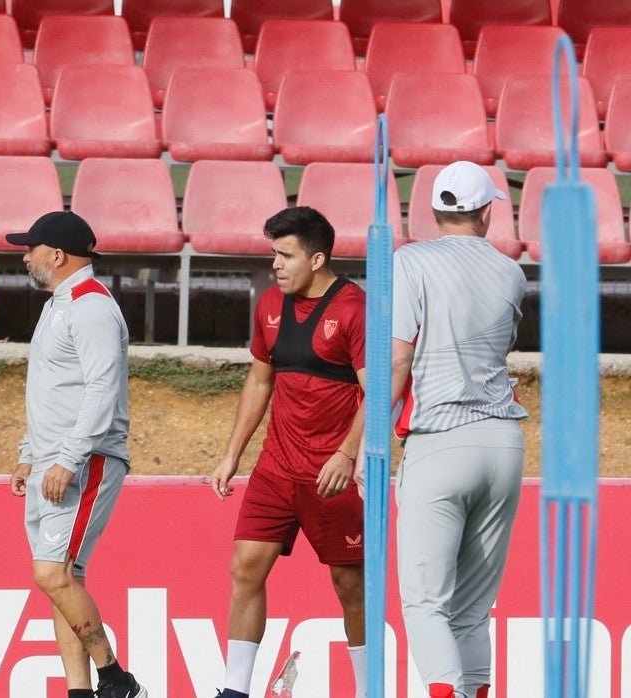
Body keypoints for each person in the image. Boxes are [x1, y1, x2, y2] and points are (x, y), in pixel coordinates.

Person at [209, 206, 368, 698]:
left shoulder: (355, 310)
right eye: (273, 253)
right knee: (245, 567)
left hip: (331, 475)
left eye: (285, 255)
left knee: (351, 587)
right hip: (276, 468)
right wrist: (233, 454)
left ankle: (369, 689)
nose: (275, 264)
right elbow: (260, 381)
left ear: (317, 259)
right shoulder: (269, 305)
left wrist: (347, 455)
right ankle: (235, 690)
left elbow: (379, 392)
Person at [381, 161, 527, 698]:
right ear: (486, 211)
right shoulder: (511, 272)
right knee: (471, 608)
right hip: (502, 442)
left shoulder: (409, 260)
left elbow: (399, 359)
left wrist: (367, 440)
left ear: (434, 210)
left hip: (438, 440)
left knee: (425, 604)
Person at [7, 211, 148, 698]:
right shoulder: (60, 304)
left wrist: (67, 459)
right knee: (62, 581)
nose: (25, 257)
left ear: (57, 255)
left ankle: (117, 679)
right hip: (55, 460)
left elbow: (100, 390)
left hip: (85, 461)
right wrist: (30, 453)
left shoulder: (91, 307)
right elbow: (53, 388)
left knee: (52, 573)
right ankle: (79, 692)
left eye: (30, 249)